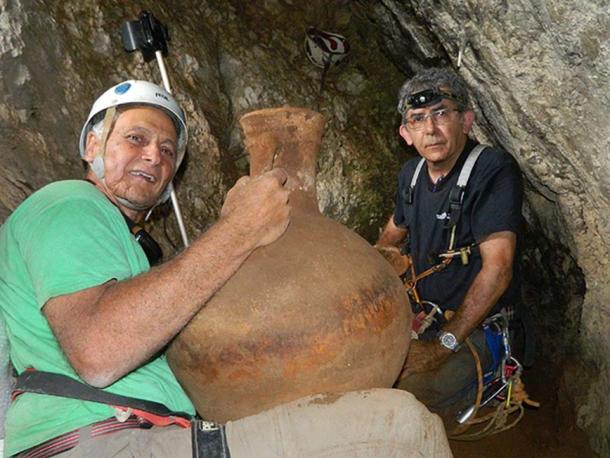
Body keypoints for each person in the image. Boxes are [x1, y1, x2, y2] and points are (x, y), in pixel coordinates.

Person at [0, 79, 452, 457]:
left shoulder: (129, 252)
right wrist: (239, 230)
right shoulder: (68, 203)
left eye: (167, 149)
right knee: (405, 427)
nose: (155, 156)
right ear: (93, 144)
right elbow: (99, 351)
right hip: (101, 441)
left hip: (148, 434)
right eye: (135, 138)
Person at [376, 68, 523, 432]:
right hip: (425, 316)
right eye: (418, 119)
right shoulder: (410, 176)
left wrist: (440, 346)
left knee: (399, 402)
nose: (431, 128)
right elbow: (389, 237)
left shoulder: (492, 170)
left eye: (441, 114)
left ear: (466, 121)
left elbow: (498, 269)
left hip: (473, 329)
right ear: (405, 134)